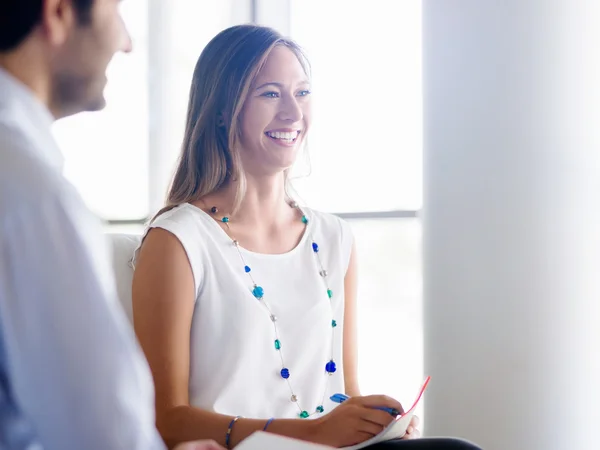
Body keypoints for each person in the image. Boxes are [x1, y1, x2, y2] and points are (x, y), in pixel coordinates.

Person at [131, 24, 481, 450]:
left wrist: (372, 423)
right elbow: (165, 420)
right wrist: (312, 433)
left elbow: (343, 392)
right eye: (271, 94)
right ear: (223, 110)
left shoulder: (335, 238)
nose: (293, 114)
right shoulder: (178, 241)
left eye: (302, 92)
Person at [0, 0, 223, 449]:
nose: (126, 42)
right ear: (58, 14)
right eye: (115, 11)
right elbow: (103, 435)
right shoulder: (33, 196)